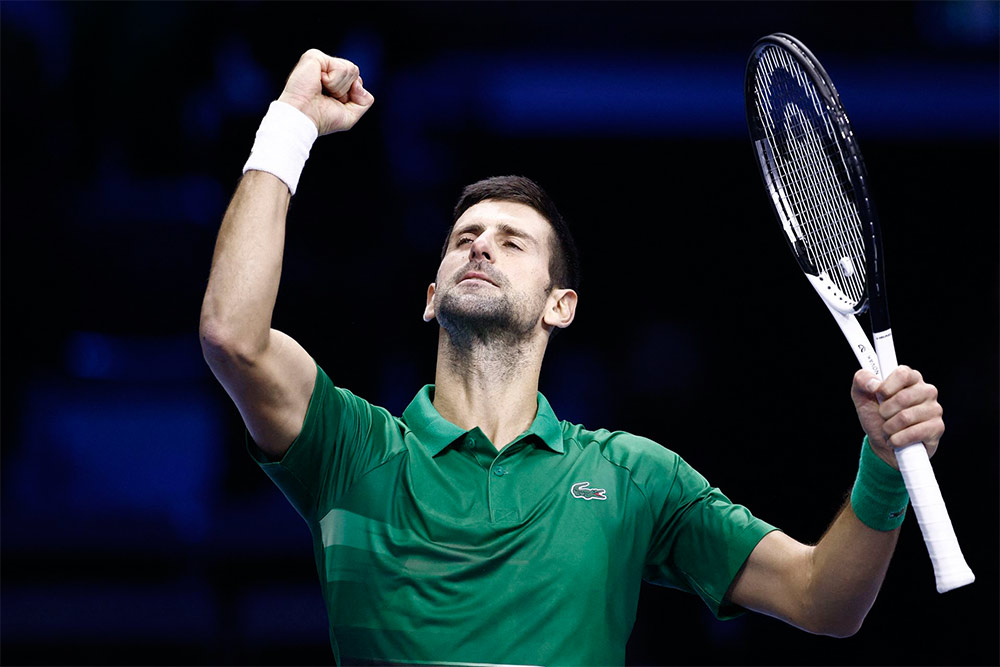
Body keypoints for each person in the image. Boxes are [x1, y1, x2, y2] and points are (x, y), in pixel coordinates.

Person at [200, 50, 946, 666]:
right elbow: (234, 334)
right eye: (464, 238)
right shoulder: (350, 449)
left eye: (510, 241)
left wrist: (884, 467)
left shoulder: (629, 477)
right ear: (432, 296)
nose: (481, 245)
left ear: (561, 305)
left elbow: (823, 599)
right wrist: (291, 123)